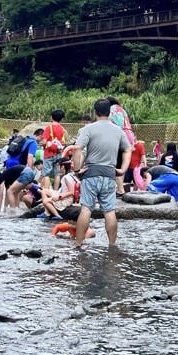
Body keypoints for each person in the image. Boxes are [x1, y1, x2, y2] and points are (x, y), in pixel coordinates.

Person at [72, 98, 132, 247]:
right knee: (109, 212)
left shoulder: (88, 129)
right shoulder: (118, 130)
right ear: (109, 112)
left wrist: (77, 169)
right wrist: (123, 169)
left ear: (95, 112)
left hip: (91, 173)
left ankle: (78, 244)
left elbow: (77, 148)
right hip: (109, 174)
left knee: (86, 209)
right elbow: (128, 149)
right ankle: (112, 245)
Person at [40, 110, 67, 189]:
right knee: (57, 174)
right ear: (61, 119)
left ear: (51, 117)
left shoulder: (49, 128)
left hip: (49, 154)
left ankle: (46, 192)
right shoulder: (62, 129)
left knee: (46, 174)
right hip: (58, 153)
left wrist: (42, 144)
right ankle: (55, 191)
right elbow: (63, 142)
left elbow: (44, 141)